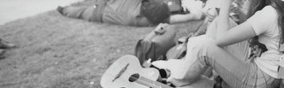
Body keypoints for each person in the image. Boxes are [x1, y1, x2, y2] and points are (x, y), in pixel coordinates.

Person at [153, 0, 284, 88]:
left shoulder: (270, 13)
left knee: (205, 47)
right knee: (220, 23)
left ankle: (175, 80)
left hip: (259, 80)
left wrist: (225, 3)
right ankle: (205, 75)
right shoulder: (280, 8)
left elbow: (221, 39)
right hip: (270, 74)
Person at [57, 0, 205, 27]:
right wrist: (197, 15)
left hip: (100, 12)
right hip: (102, 13)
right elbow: (171, 19)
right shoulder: (149, 21)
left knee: (78, 11)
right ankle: (65, 10)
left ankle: (63, 10)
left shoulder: (137, 3)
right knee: (80, 11)